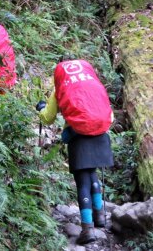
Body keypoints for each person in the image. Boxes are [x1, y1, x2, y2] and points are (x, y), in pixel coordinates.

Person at [36, 56, 114, 245]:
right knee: (92, 175)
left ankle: (87, 230)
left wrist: (41, 108)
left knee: (82, 182)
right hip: (100, 134)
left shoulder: (61, 88)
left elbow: (48, 118)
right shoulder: (91, 82)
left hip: (79, 137)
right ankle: (100, 217)